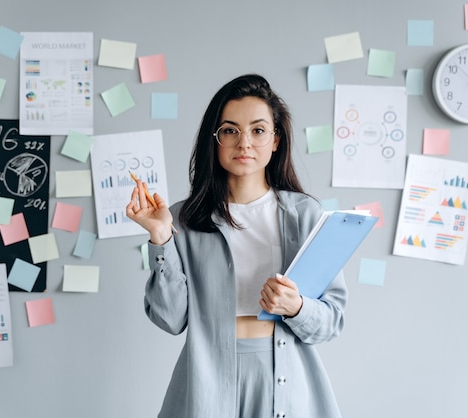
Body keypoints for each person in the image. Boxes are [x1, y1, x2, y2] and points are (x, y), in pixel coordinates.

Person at [126, 74, 347, 418]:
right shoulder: (183, 218)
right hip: (207, 378)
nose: (244, 142)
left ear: (276, 141)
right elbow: (170, 319)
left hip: (285, 373)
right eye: (230, 130)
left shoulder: (305, 215)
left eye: (258, 130)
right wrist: (160, 237)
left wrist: (297, 306)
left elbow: (332, 319)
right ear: (214, 141)